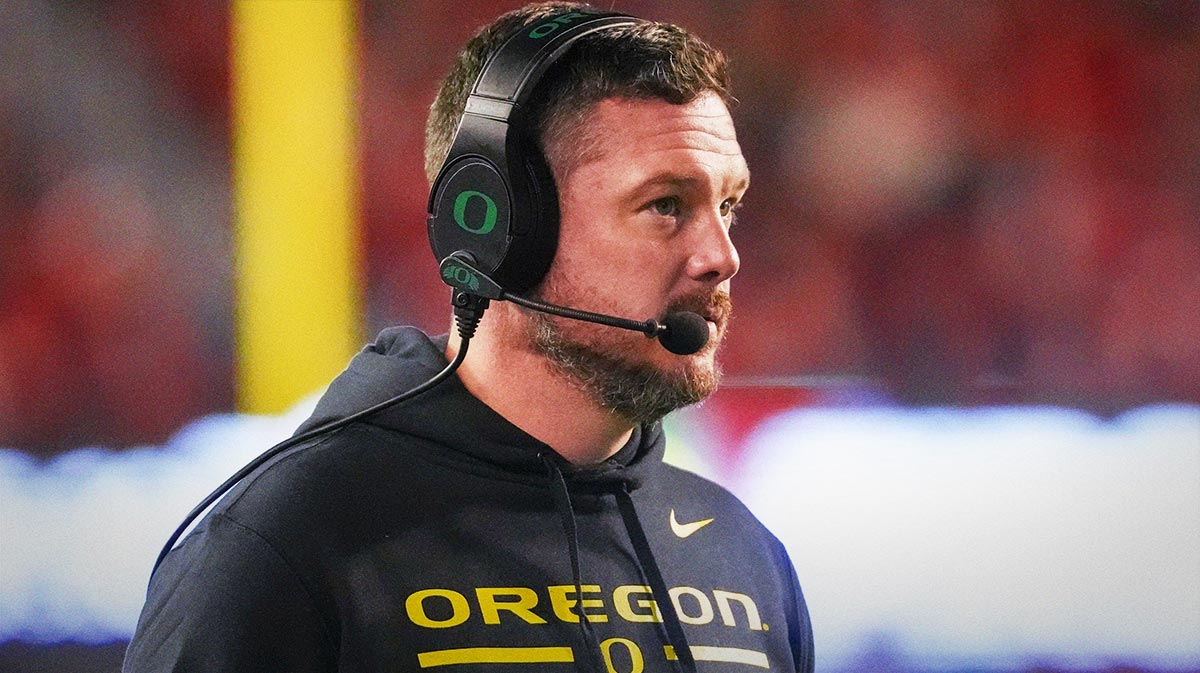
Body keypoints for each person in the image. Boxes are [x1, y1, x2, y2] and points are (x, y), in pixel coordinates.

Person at [124, 3, 814, 672]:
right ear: (500, 231)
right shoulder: (284, 548)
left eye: (727, 205)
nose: (722, 256)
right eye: (666, 205)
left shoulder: (744, 557)